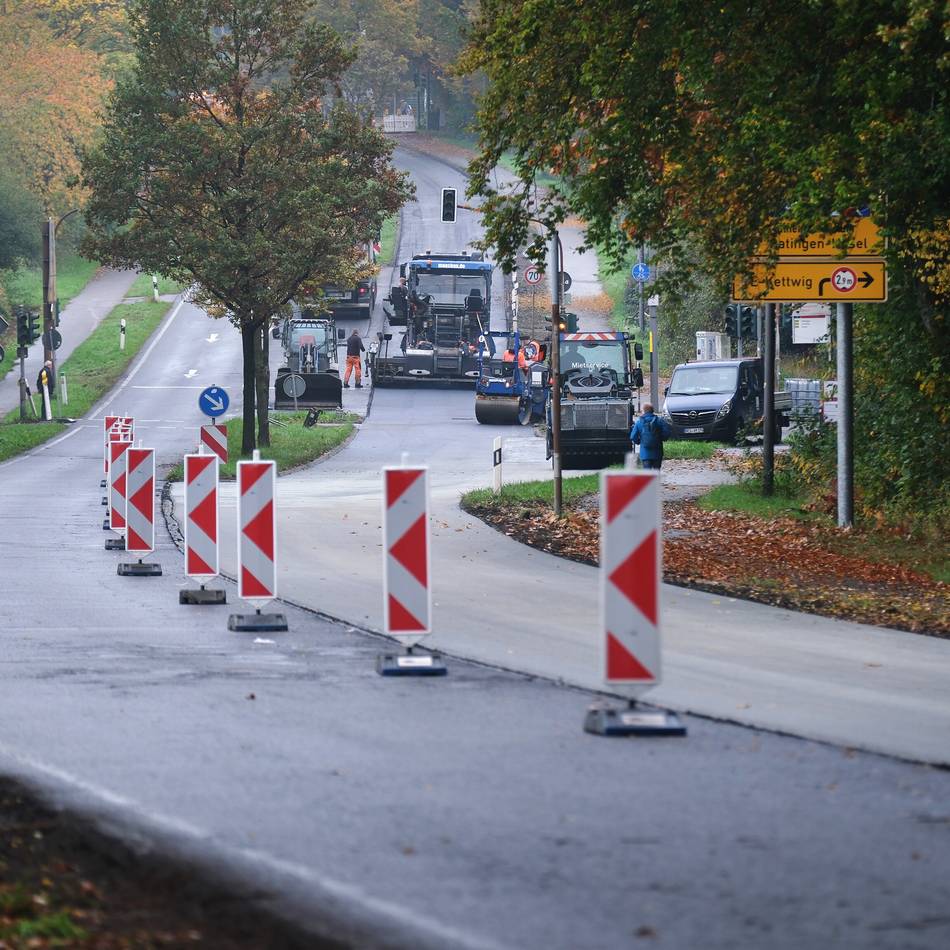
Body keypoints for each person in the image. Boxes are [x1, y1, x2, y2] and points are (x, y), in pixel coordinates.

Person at [630, 403, 670, 469]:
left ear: (643, 411)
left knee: (647, 473)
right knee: (656, 472)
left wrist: (639, 441)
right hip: (657, 452)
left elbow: (633, 436)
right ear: (652, 410)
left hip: (645, 453)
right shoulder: (659, 420)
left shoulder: (639, 422)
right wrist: (661, 439)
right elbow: (667, 432)